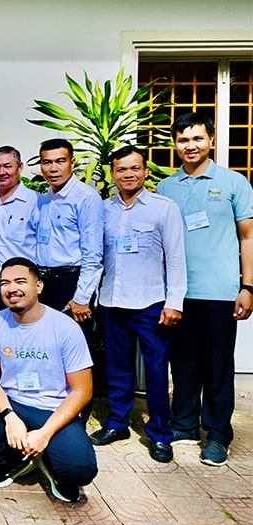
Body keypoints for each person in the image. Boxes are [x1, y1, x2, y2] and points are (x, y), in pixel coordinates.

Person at [156, 112, 253, 466]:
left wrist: (249, 286)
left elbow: (248, 236)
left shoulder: (233, 183)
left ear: (210, 139)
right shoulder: (166, 188)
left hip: (220, 291)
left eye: (197, 138)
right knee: (182, 364)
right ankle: (183, 424)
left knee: (217, 366)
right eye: (183, 140)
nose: (190, 146)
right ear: (175, 144)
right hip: (178, 293)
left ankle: (217, 434)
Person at [0, 257, 97, 503]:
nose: (11, 288)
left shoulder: (65, 327)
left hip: (54, 409)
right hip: (15, 403)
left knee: (79, 469)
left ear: (39, 286)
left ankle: (51, 461)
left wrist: (45, 432)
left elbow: (82, 391)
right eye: (4, 283)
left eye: (20, 281)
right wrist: (9, 417)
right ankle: (20, 462)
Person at [90, 146, 186, 463]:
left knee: (157, 373)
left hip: (151, 304)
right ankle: (117, 423)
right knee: (117, 369)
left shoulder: (163, 208)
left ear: (145, 171)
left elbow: (175, 259)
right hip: (112, 304)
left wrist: (174, 303)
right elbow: (97, 258)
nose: (128, 174)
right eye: (121, 169)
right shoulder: (103, 209)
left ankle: (160, 434)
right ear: (113, 173)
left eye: (134, 168)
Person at [35, 139, 104, 323]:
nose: (53, 168)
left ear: (72, 163)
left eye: (60, 161)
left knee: (75, 347)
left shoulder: (86, 198)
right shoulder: (45, 199)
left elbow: (93, 254)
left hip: (71, 283)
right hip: (44, 284)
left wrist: (81, 298)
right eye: (47, 162)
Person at [0, 146, 40, 324]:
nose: (1, 172)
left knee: (22, 335)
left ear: (20, 167)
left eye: (7, 166)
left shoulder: (35, 202)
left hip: (20, 286)